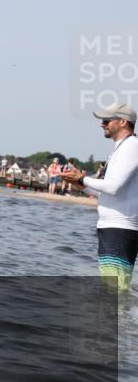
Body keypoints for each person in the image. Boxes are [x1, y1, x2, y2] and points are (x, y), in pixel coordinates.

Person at [61, 103, 138, 291]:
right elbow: (106, 191)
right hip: (112, 227)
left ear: (123, 122)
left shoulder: (131, 146)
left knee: (114, 290)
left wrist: (83, 178)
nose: (102, 124)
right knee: (113, 289)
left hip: (120, 228)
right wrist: (80, 184)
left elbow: (114, 187)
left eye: (106, 121)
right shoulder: (122, 148)